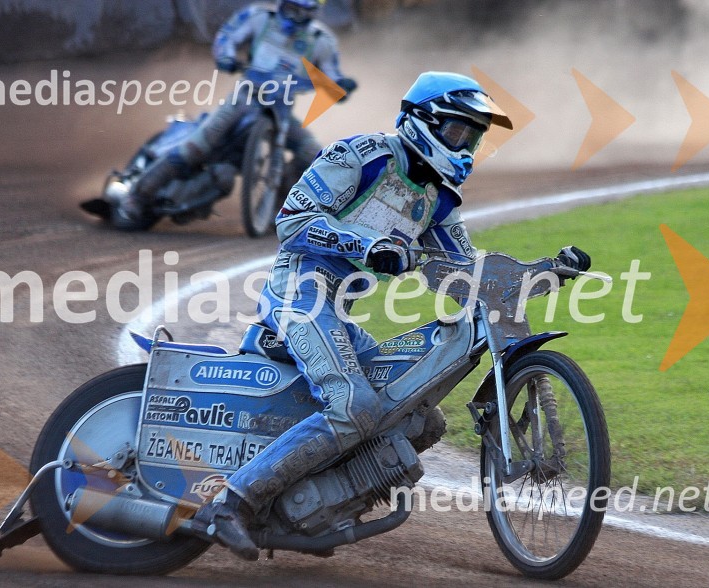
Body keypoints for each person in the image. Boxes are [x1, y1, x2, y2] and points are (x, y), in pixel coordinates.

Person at [194, 71, 592, 560]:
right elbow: (292, 220)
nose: (465, 146)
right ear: (422, 120)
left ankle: (319, 512)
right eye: (458, 131)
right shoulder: (361, 156)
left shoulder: (440, 201)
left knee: (423, 422)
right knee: (353, 407)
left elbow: (462, 275)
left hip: (339, 311)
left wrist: (542, 274)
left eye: (474, 136)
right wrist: (368, 245)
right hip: (300, 293)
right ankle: (230, 504)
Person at [116, 0, 357, 228]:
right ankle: (138, 196)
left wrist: (341, 85)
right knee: (198, 145)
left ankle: (284, 208)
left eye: (304, 12)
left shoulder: (321, 40)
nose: (296, 17)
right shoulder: (259, 17)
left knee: (311, 154)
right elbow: (227, 36)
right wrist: (226, 57)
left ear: (315, 12)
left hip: (281, 109)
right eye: (292, 8)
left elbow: (331, 73)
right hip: (244, 99)